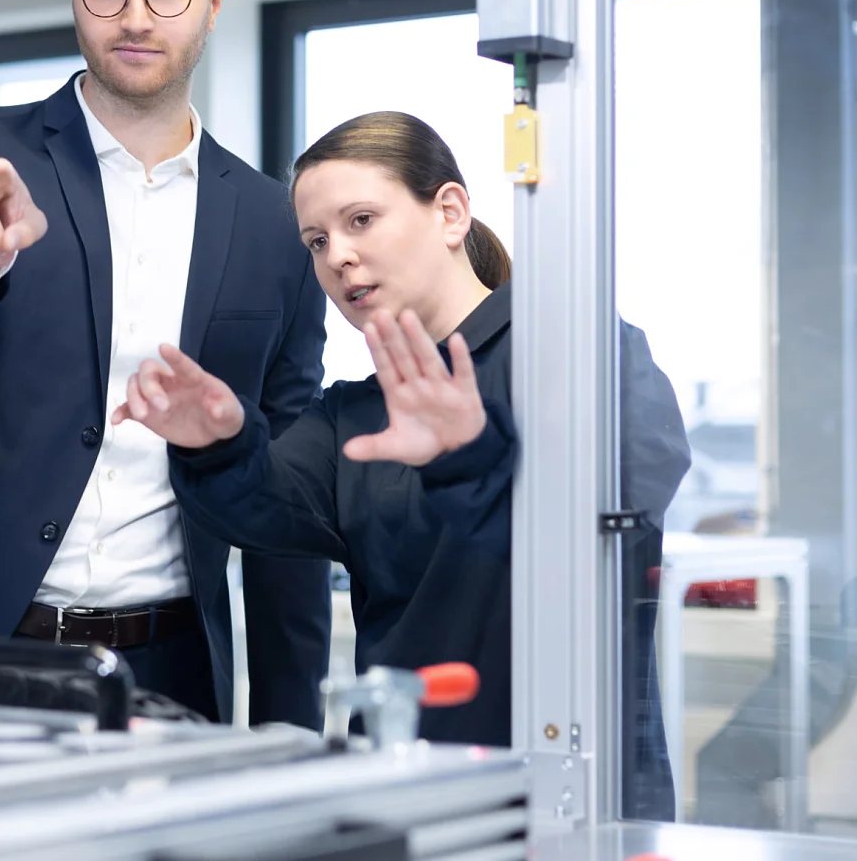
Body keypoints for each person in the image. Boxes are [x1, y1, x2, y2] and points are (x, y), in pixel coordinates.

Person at [115, 110, 688, 816]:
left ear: (449, 213)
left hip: (573, 791)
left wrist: (468, 459)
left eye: (361, 221)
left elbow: (620, 519)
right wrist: (214, 441)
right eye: (317, 241)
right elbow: (262, 505)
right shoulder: (351, 413)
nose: (338, 258)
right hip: (403, 787)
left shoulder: (579, 350)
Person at [0, 0, 333, 728]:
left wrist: (289, 728)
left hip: (165, 667)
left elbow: (284, 492)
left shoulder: (277, 223)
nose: (134, 15)